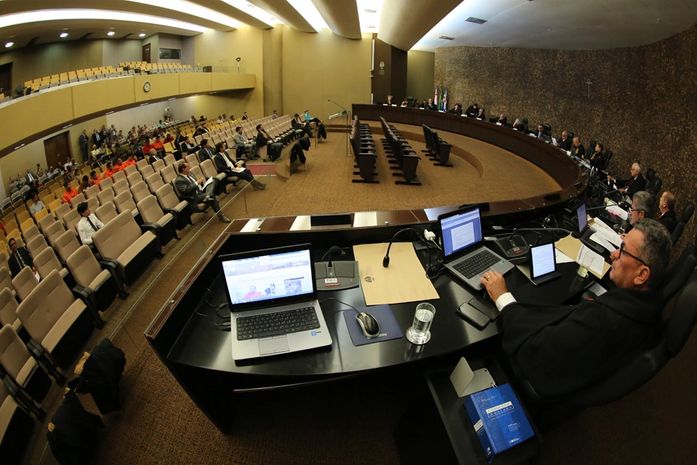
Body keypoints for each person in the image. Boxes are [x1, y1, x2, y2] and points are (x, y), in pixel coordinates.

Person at [480, 219, 671, 399]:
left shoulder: (602, 321)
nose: (613, 254)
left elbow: (536, 351)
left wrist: (501, 296)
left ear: (641, 274)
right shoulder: (649, 308)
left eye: (623, 250)